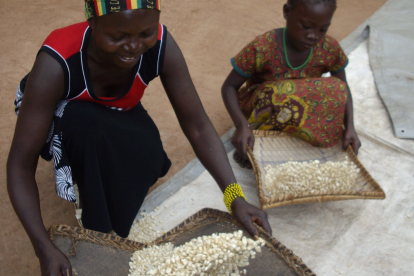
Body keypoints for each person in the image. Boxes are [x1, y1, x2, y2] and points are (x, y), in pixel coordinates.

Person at [6, 1, 271, 275]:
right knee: (87, 127)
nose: (133, 46)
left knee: (149, 161)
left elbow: (199, 127)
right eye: (117, 37)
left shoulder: (161, 45)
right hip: (65, 115)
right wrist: (43, 247)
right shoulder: (56, 62)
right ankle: (93, 216)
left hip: (118, 107)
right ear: (92, 23)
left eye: (145, 33)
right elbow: (19, 166)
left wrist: (234, 196)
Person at [222, 0, 361, 169]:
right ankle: (257, 140)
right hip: (262, 109)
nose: (313, 35)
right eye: (306, 26)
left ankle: (295, 143)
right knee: (281, 92)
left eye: (322, 29)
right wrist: (241, 126)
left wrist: (350, 127)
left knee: (334, 88)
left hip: (298, 108)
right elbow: (229, 87)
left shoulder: (329, 48)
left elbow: (342, 88)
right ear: (287, 12)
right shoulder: (262, 47)